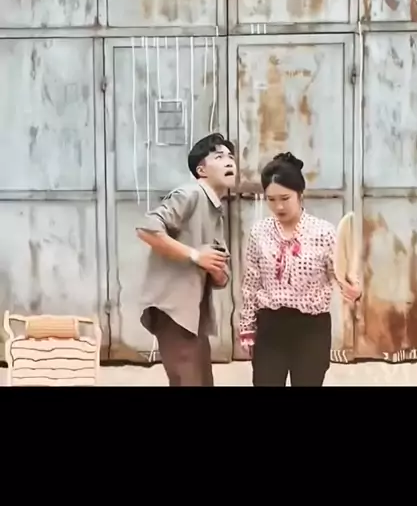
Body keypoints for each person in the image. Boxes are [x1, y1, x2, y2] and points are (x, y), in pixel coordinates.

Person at [238, 152, 361, 387]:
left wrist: (353, 288)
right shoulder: (259, 232)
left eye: (285, 198)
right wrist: (247, 327)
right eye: (271, 199)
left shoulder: (323, 232)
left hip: (311, 328)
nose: (279, 206)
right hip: (271, 326)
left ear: (300, 194)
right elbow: (251, 283)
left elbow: (340, 273)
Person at [136, 133, 236, 387]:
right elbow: (147, 229)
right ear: (201, 170)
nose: (229, 162)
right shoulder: (190, 194)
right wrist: (195, 255)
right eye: (219, 157)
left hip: (193, 314)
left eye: (231, 157)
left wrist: (216, 270)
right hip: (173, 311)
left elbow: (220, 275)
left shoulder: (215, 209)